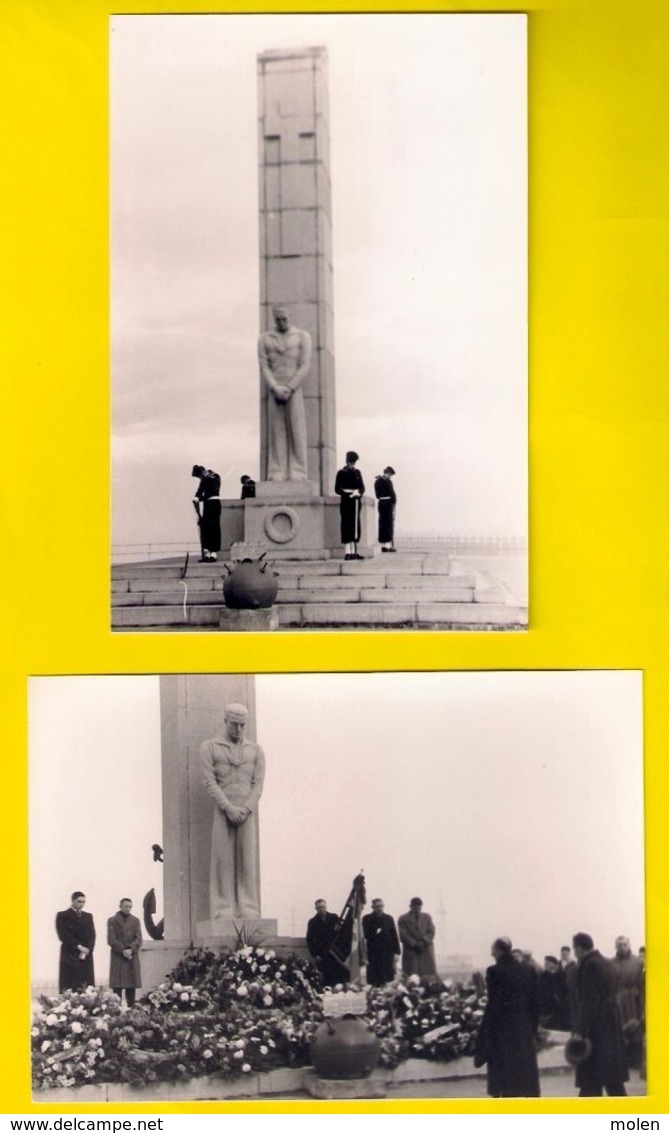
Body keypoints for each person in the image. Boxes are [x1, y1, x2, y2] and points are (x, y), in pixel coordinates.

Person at [201, 703, 266, 920]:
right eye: (234, 725)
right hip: (223, 810)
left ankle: (248, 906)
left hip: (247, 812)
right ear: (225, 721)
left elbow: (258, 784)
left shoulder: (256, 750)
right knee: (223, 860)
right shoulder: (210, 747)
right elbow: (209, 781)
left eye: (242, 726)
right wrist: (228, 808)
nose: (238, 730)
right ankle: (223, 907)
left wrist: (246, 808)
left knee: (247, 860)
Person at [475, 936, 540, 1098]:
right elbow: (535, 1004)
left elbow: (494, 1006)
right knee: (524, 1079)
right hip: (523, 1029)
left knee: (506, 1082)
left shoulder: (494, 971)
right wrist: (532, 1029)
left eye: (493, 951)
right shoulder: (528, 970)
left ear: (498, 951)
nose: (492, 954)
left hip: (503, 1032)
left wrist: (485, 1034)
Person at [570, 932, 628, 1096]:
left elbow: (590, 1002)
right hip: (611, 1025)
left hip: (597, 1030)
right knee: (612, 1081)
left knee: (592, 1079)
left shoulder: (590, 965)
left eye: (575, 948)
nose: (575, 953)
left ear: (580, 949)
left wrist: (580, 1032)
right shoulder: (607, 963)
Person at [258, 304, 311, 482]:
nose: (281, 322)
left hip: (293, 388)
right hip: (275, 389)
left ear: (290, 316)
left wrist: (290, 387)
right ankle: (277, 471)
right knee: (276, 431)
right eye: (278, 319)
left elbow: (304, 365)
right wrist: (274, 387)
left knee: (297, 430)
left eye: (284, 319)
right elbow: (264, 366)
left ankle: (298, 470)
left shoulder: (302, 336)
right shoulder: (265, 338)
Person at [612, 935, 644, 1070]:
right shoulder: (611, 963)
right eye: (619, 945)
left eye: (624, 944)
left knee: (636, 1029)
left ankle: (637, 1060)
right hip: (619, 999)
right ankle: (623, 1061)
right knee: (620, 1029)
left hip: (635, 999)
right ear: (616, 947)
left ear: (629, 945)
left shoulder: (638, 962)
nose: (622, 947)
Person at [55, 891, 96, 992]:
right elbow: (63, 935)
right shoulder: (62, 915)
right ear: (72, 900)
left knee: (85, 985)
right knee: (70, 984)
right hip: (70, 954)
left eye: (83, 902)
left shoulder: (88, 916)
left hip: (85, 955)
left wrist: (88, 949)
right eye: (79, 901)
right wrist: (79, 947)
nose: (81, 904)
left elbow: (92, 935)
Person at [107, 898, 142, 1006]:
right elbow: (111, 940)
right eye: (126, 906)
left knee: (131, 987)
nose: (128, 909)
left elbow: (139, 939)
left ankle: (131, 1012)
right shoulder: (112, 920)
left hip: (131, 957)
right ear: (120, 906)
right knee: (117, 988)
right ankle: (116, 1013)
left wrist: (131, 949)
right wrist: (123, 950)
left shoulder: (136, 921)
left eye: (130, 906)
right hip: (118, 957)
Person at [306, 899, 346, 988]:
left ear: (326, 907)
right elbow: (309, 940)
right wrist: (315, 955)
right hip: (322, 955)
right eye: (319, 907)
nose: (321, 909)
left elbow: (342, 932)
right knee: (326, 980)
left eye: (323, 906)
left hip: (335, 955)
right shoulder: (313, 922)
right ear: (316, 908)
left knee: (339, 979)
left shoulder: (334, 918)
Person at [362, 898, 400, 986]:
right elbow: (365, 935)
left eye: (381, 906)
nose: (380, 908)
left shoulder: (389, 918)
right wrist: (375, 931)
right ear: (373, 907)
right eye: (377, 906)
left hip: (387, 952)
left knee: (388, 977)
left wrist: (396, 952)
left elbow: (394, 936)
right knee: (375, 979)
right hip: (374, 952)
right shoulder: (367, 919)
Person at [334, 451, 365, 560]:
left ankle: (354, 552)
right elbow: (337, 489)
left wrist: (358, 492)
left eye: (353, 463)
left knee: (355, 526)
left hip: (356, 501)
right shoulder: (341, 473)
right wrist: (347, 494)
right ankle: (348, 552)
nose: (352, 465)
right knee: (346, 525)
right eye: (351, 462)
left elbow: (362, 488)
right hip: (346, 502)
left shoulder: (357, 473)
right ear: (347, 462)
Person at [397, 897, 437, 977]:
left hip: (426, 949)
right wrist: (414, 944)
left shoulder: (427, 917)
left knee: (428, 974)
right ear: (411, 906)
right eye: (416, 906)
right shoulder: (403, 919)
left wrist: (424, 941)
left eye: (420, 906)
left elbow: (431, 931)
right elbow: (403, 935)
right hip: (411, 950)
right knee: (412, 975)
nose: (418, 908)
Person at [191, 465, 222, 562]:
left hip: (214, 503)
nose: (200, 478)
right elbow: (200, 491)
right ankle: (208, 553)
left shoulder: (215, 477)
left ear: (203, 472)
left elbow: (212, 491)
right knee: (206, 527)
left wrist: (200, 498)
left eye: (200, 476)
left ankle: (214, 554)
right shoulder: (205, 479)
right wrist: (197, 497)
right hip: (207, 504)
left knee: (213, 527)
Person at [538, 955, 569, 1030]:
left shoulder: (562, 974)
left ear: (555, 964)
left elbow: (564, 989)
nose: (546, 964)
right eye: (545, 963)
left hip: (558, 1006)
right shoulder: (543, 975)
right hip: (545, 1005)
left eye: (548, 963)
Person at [374, 466, 397, 552]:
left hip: (381, 503)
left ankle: (383, 545)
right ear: (389, 473)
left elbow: (377, 495)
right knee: (388, 525)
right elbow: (392, 494)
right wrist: (394, 503)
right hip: (388, 503)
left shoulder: (377, 481)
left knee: (382, 524)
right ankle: (388, 546)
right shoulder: (388, 481)